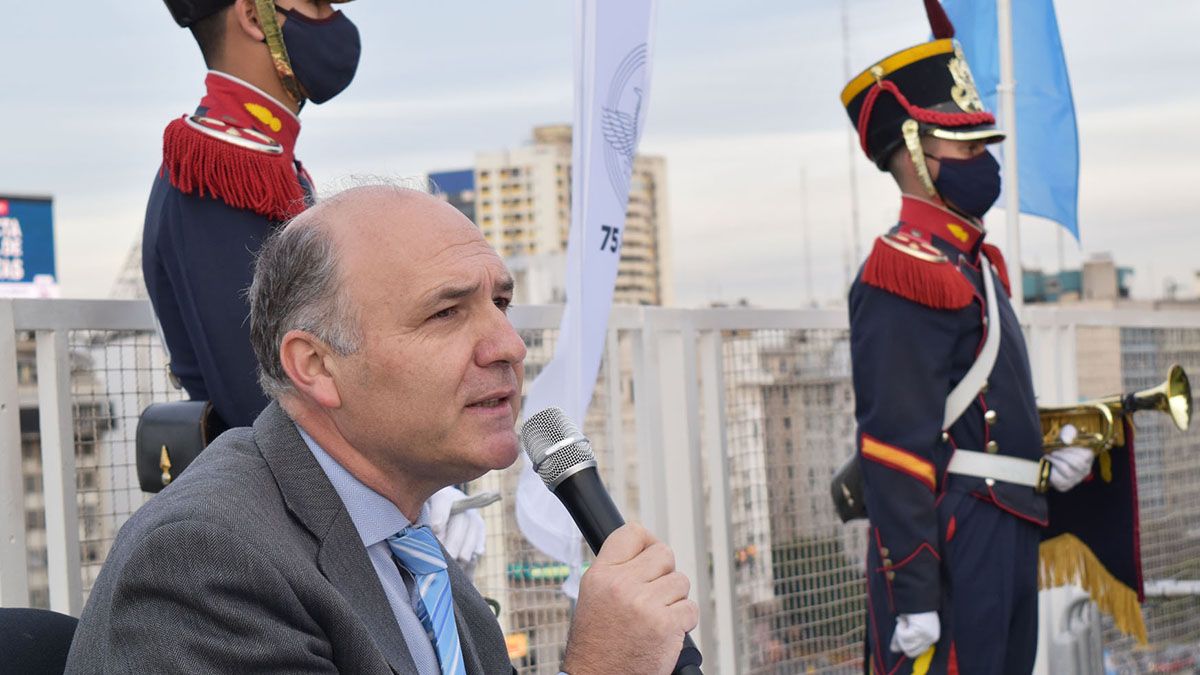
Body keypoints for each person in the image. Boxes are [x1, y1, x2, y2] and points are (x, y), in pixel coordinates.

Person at [66, 184, 699, 675]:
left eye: (500, 304)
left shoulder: (405, 536)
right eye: (447, 312)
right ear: (316, 366)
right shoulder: (205, 561)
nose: (508, 345)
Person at [839, 3, 1096, 674]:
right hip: (954, 537)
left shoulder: (977, 264)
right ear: (917, 152)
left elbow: (982, 406)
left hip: (1005, 523)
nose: (983, 158)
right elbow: (894, 447)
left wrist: (1043, 457)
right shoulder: (902, 271)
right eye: (966, 143)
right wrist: (915, 591)